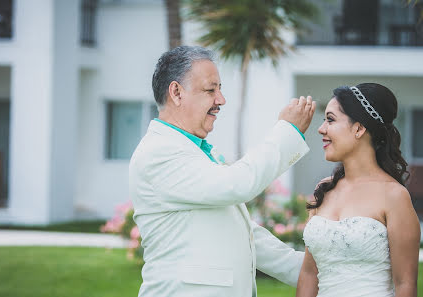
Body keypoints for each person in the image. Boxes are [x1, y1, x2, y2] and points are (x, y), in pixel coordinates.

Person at [129, 45, 316, 297]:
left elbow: (245, 236)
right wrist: (288, 131)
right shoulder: (158, 152)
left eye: (220, 89)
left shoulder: (197, 151)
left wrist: (309, 272)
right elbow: (239, 184)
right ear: (176, 92)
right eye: (210, 90)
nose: (221, 100)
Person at [296, 83, 421, 297]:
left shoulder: (394, 196)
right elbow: (309, 274)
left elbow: (405, 284)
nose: (321, 128)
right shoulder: (324, 190)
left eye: (330, 119)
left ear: (359, 128)